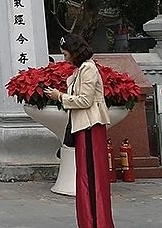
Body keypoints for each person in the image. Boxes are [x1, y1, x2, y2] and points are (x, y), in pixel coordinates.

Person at [44, 34, 114, 228]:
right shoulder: (82, 70)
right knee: (86, 176)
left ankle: (97, 222)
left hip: (90, 126)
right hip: (84, 127)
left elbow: (85, 100)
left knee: (91, 177)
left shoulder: (88, 69)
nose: (65, 58)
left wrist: (59, 96)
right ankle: (90, 221)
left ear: (75, 52)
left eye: (66, 54)